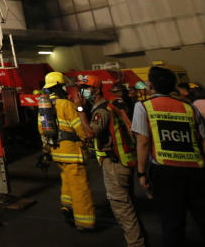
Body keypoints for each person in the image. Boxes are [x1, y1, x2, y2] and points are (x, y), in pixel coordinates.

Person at [133, 66, 205, 247]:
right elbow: (204, 142)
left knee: (172, 222)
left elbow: (143, 142)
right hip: (196, 170)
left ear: (150, 85)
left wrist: (141, 173)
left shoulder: (144, 107)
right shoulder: (189, 107)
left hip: (165, 171)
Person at [79, 75, 145, 246]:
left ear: (97, 89)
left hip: (115, 164)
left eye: (87, 88)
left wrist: (79, 110)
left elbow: (90, 133)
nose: (84, 92)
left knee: (123, 209)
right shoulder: (108, 105)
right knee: (129, 204)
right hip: (124, 161)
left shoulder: (101, 110)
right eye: (82, 88)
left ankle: (136, 244)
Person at [39, 71, 95, 231]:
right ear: (58, 87)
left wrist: (46, 150)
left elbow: (42, 130)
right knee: (80, 188)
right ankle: (84, 222)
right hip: (72, 153)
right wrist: (88, 142)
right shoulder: (66, 104)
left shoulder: (44, 107)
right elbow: (80, 128)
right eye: (63, 85)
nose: (65, 88)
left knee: (67, 180)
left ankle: (66, 206)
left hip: (57, 152)